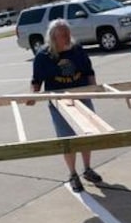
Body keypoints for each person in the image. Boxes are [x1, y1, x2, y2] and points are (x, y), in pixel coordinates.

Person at [29, 18, 103, 192]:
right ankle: (72, 174)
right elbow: (36, 81)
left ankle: (87, 169)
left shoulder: (77, 50)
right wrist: (32, 96)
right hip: (59, 102)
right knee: (67, 140)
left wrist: (94, 89)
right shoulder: (43, 56)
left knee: (87, 135)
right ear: (53, 37)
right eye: (63, 35)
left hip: (82, 97)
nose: (67, 37)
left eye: (68, 33)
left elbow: (88, 71)